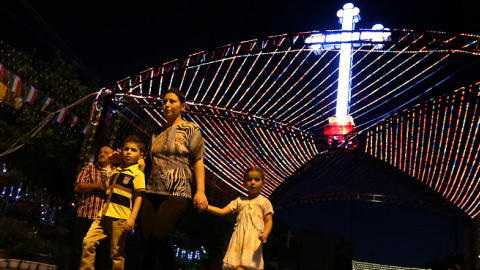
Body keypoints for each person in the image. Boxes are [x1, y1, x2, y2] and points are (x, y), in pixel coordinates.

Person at [116, 87, 208, 269]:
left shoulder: (191, 129)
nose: (166, 105)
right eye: (164, 101)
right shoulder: (157, 132)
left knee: (159, 235)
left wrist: (201, 191)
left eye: (172, 101)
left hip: (178, 192)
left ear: (183, 106)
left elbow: (198, 161)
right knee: (147, 242)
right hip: (150, 192)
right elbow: (147, 162)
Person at [80, 135, 146, 270]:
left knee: (116, 253)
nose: (128, 152)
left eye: (133, 150)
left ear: (141, 155)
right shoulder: (118, 170)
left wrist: (132, 218)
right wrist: (105, 178)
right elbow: (108, 189)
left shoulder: (138, 173)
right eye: (126, 149)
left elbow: (139, 196)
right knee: (88, 242)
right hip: (104, 214)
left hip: (120, 217)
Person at [205, 167, 274, 270]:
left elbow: (268, 221)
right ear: (244, 183)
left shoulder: (264, 202)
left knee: (244, 266)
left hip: (253, 239)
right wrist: (206, 207)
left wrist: (265, 234)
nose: (253, 182)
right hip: (238, 239)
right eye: (249, 179)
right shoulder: (240, 201)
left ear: (263, 184)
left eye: (257, 179)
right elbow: (223, 211)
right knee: (234, 266)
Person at [72, 146, 113, 270]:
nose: (101, 154)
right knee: (78, 251)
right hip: (85, 215)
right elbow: (78, 187)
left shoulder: (116, 173)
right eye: (100, 152)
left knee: (101, 255)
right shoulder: (88, 169)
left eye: (106, 152)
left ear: (112, 157)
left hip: (103, 220)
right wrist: (97, 186)